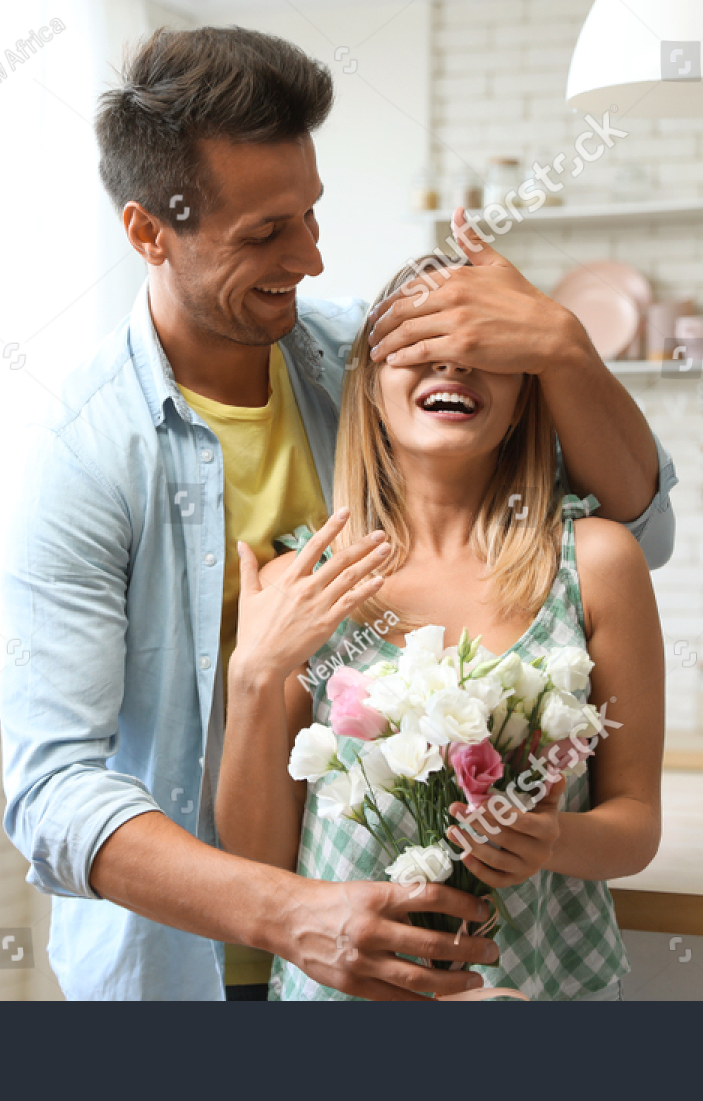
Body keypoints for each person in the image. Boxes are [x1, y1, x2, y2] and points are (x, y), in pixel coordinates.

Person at [0, 26, 677, 1001]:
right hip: (181, 973)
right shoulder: (85, 461)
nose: (311, 259)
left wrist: (564, 349)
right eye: (266, 234)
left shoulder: (362, 358)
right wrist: (293, 915)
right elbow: (51, 795)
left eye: (309, 216)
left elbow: (635, 526)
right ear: (150, 233)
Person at [215, 254, 666, 1001]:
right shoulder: (306, 580)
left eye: (486, 351)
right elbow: (261, 859)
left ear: (526, 395)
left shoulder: (599, 564)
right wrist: (254, 674)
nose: (453, 364)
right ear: (368, 386)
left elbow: (637, 825)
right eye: (420, 345)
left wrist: (551, 839)